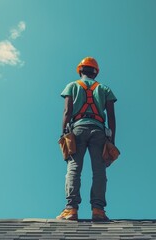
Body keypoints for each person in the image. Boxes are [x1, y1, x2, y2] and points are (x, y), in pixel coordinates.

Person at [57, 57, 117, 221]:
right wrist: (112, 140)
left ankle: (71, 209)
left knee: (74, 168)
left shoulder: (72, 85)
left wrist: (63, 134)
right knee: (99, 170)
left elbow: (67, 112)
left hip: (77, 129)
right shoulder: (104, 89)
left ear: (80, 70)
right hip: (99, 131)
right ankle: (98, 210)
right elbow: (111, 117)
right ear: (95, 72)